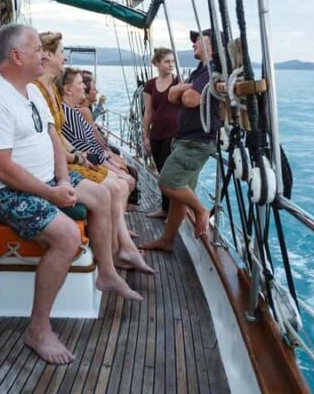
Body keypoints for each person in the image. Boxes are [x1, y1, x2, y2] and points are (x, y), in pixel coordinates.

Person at [0, 23, 141, 365]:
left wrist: (63, 180)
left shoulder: (30, 91)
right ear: (16, 57)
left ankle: (106, 273)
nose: (43, 55)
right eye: (36, 49)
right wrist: (51, 192)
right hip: (1, 191)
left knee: (103, 196)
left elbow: (51, 139)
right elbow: (0, 168)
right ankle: (38, 329)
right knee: (64, 236)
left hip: (45, 179)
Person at [35, 33, 152, 274]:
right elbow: (51, 139)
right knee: (114, 186)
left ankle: (119, 246)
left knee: (117, 185)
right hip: (56, 165)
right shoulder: (38, 92)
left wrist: (79, 155)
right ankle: (118, 250)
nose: (64, 56)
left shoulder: (51, 93)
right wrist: (77, 158)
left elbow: (60, 137)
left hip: (67, 159)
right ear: (46, 55)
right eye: (61, 52)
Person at [141, 30, 220, 251]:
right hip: (186, 139)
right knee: (178, 196)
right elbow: (174, 95)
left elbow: (190, 99)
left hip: (196, 141)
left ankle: (201, 210)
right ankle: (167, 240)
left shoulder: (211, 72)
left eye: (199, 39)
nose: (194, 43)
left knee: (167, 182)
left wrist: (185, 89)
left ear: (211, 45)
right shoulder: (199, 72)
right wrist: (185, 89)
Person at [142, 48, 180, 218]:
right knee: (160, 172)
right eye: (167, 61)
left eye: (172, 61)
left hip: (174, 134)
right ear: (157, 63)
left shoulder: (179, 82)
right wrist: (145, 136)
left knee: (168, 175)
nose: (171, 65)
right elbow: (148, 112)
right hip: (156, 134)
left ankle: (173, 212)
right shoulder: (150, 85)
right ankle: (165, 209)